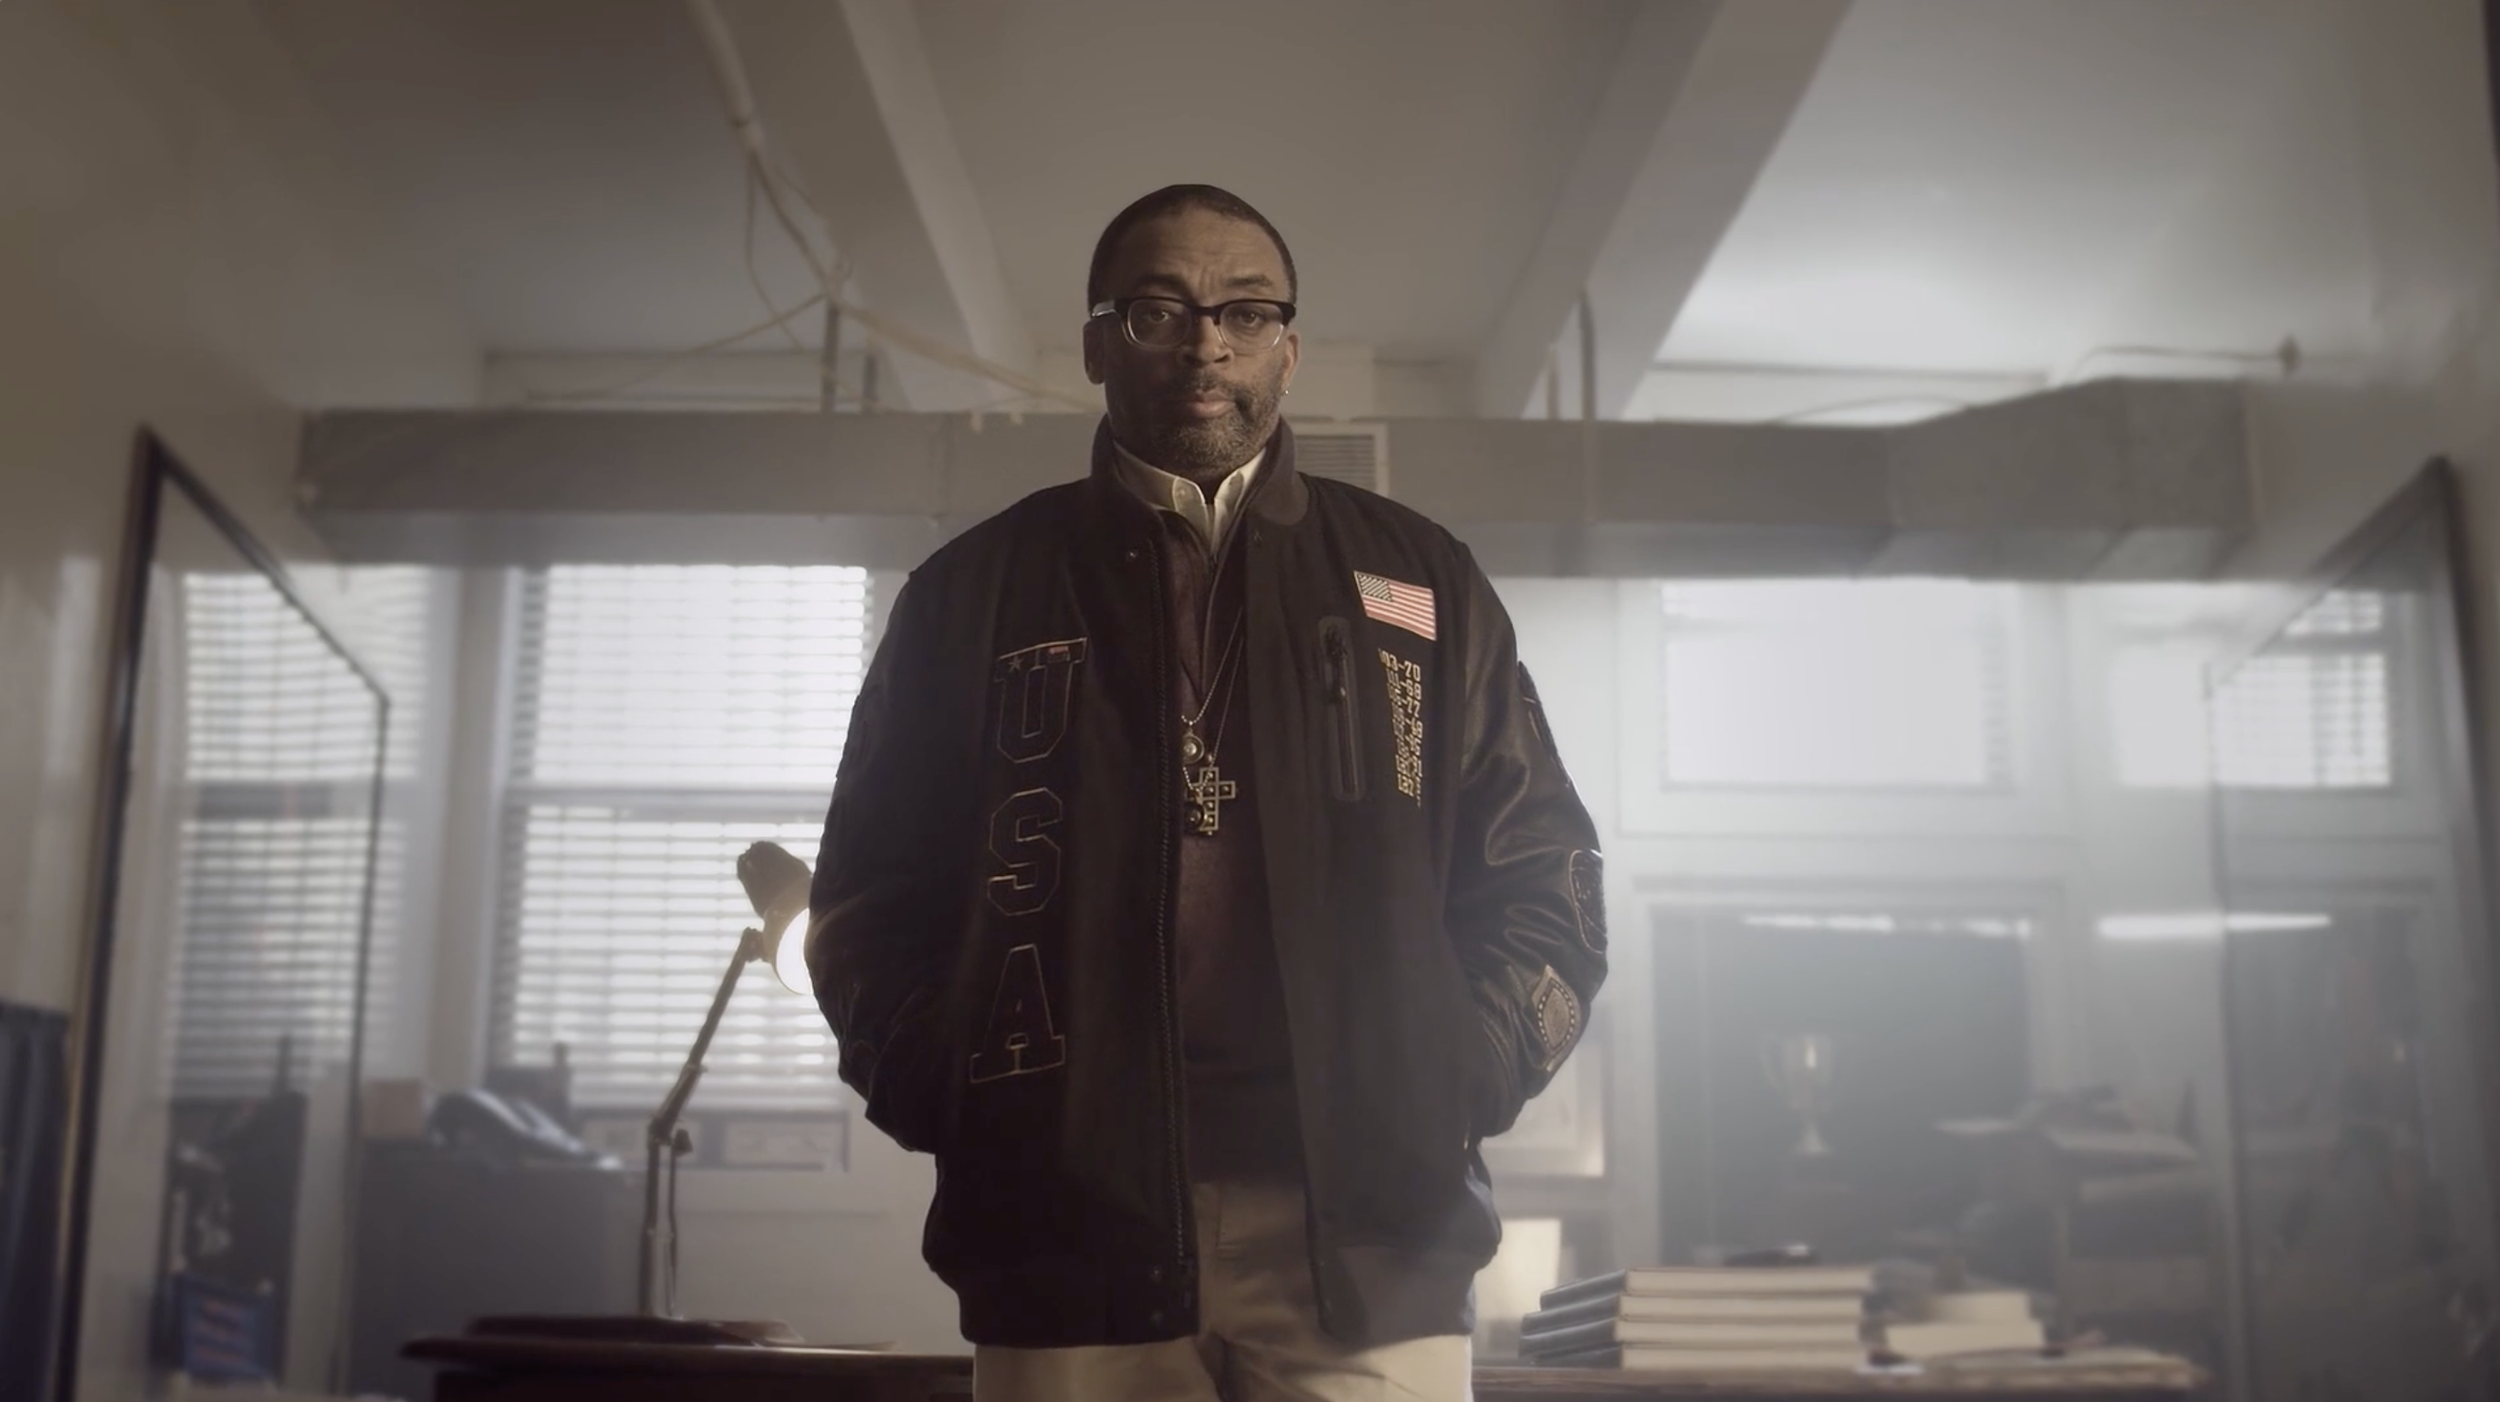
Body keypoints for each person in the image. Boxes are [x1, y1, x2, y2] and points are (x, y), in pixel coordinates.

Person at [809, 184, 1605, 1402]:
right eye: (1158, 310)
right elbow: (864, 905)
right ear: (1096, 344)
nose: (1204, 344)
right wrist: (963, 1102)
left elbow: (1545, 879)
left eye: (1244, 311)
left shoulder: (1420, 578)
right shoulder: (972, 593)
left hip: (1373, 1232)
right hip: (1063, 1233)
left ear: (1288, 347)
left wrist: (1458, 1076)